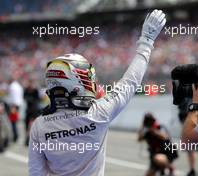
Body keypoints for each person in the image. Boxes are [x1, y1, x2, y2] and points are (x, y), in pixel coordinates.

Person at [28, 9, 166, 176]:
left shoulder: (38, 126)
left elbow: (36, 173)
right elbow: (130, 81)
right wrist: (146, 41)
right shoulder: (99, 112)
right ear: (77, 81)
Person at [178, 98, 198, 176]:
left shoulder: (184, 89)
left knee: (194, 146)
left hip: (190, 114)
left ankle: (196, 169)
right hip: (196, 114)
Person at [24, 79, 40, 146]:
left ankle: (36, 140)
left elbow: (37, 99)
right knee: (27, 125)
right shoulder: (26, 90)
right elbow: (24, 97)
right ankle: (27, 140)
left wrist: (30, 99)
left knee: (35, 126)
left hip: (34, 110)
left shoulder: (35, 90)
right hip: (28, 110)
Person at [7, 78, 24, 142]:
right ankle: (16, 135)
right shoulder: (18, 86)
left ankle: (15, 136)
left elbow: (13, 97)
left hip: (14, 105)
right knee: (15, 121)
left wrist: (13, 107)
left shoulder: (12, 86)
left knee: (13, 121)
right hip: (18, 105)